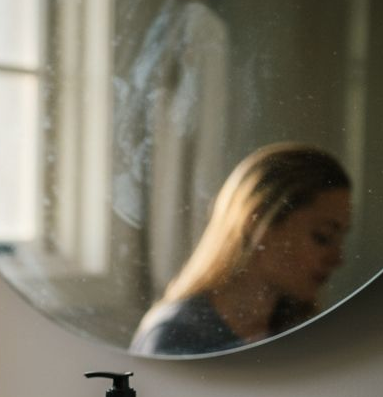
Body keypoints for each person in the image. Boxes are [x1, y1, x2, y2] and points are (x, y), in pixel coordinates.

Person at [130, 142, 352, 356]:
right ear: (257, 223)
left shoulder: (303, 334)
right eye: (322, 236)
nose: (338, 258)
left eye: (340, 239)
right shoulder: (174, 336)